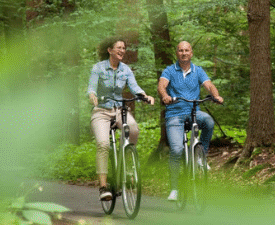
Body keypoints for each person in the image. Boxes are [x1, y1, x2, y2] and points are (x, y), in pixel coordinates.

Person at [87, 39, 155, 201]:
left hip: (119, 110)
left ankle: (126, 165)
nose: (122, 50)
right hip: (101, 111)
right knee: (103, 144)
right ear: (110, 50)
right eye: (119, 47)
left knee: (133, 129)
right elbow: (91, 87)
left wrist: (145, 96)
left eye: (124, 48)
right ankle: (103, 187)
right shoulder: (98, 68)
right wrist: (92, 95)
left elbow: (134, 87)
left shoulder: (126, 70)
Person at [157, 41, 224, 202]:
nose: (184, 53)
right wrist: (165, 96)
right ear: (177, 53)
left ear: (191, 53)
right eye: (181, 50)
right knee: (177, 150)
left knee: (208, 121)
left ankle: (201, 155)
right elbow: (162, 86)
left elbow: (209, 85)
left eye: (187, 50)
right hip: (174, 115)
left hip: (194, 112)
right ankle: (174, 189)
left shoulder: (198, 71)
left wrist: (216, 95)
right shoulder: (169, 70)